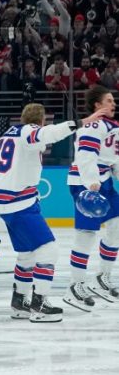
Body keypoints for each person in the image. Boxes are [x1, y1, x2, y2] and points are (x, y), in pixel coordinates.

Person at [0, 103, 106, 322]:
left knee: (27, 254)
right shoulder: (30, 132)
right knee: (49, 249)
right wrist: (81, 122)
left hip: (8, 201)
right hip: (18, 201)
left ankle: (19, 302)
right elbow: (50, 133)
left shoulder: (8, 136)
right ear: (41, 120)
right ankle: (39, 305)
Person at [65, 85, 119, 311]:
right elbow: (86, 154)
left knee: (116, 226)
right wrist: (91, 183)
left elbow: (113, 159)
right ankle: (75, 285)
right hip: (84, 183)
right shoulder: (94, 124)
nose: (113, 104)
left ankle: (102, 277)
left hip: (104, 180)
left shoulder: (112, 126)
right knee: (86, 235)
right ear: (97, 105)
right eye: (108, 100)